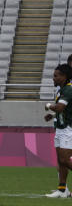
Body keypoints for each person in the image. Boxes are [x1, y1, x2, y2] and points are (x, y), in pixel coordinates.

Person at [45, 63, 72, 198]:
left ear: (64, 76)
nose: (53, 78)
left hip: (68, 129)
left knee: (66, 160)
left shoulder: (68, 90)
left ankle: (63, 190)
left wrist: (49, 106)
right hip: (61, 128)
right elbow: (66, 110)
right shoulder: (62, 90)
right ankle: (62, 190)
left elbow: (60, 107)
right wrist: (54, 115)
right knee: (61, 161)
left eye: (56, 76)